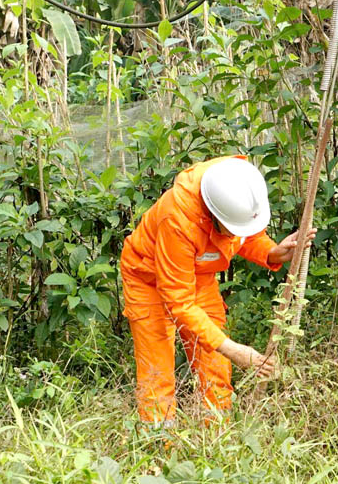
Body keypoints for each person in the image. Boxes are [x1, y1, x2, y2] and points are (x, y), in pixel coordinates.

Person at [120, 156, 311, 424]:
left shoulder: (237, 186)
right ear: (211, 213)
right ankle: (159, 449)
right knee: (157, 373)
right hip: (147, 279)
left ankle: (216, 439)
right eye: (229, 229)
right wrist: (234, 349)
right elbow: (180, 302)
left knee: (215, 367)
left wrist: (272, 252)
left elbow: (246, 234)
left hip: (199, 277)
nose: (233, 235)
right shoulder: (177, 220)